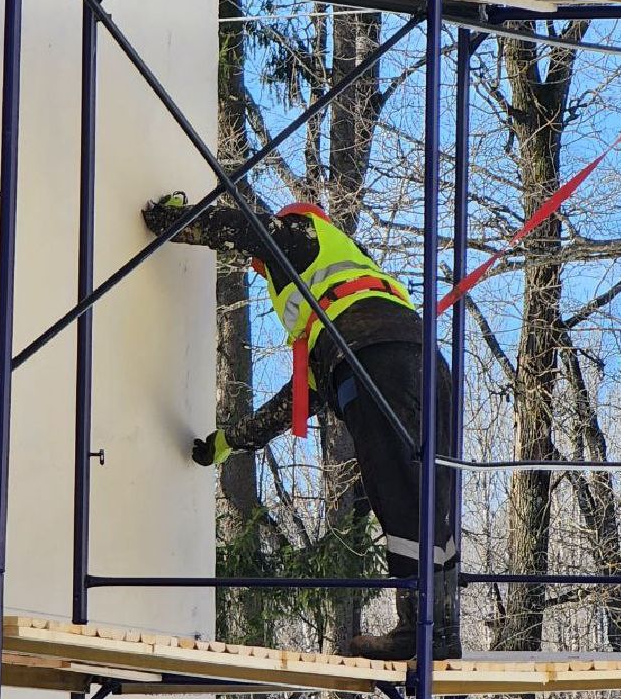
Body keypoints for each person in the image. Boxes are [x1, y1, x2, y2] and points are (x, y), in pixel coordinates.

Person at [143, 193, 461, 661]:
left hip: (370, 357)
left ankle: (420, 629)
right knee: (434, 493)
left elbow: (244, 228)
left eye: (260, 266)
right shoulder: (348, 289)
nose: (259, 269)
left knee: (394, 486)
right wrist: (227, 442)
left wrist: (169, 220)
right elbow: (292, 403)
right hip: (425, 363)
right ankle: (442, 629)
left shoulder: (303, 235)